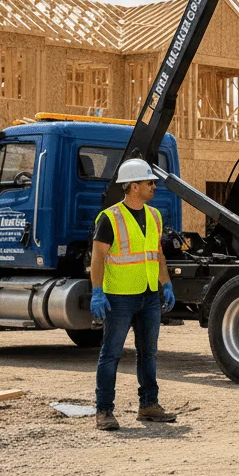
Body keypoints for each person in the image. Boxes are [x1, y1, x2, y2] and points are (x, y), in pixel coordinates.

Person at [89, 158, 178, 431]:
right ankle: (104, 410)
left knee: (149, 353)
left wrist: (166, 284)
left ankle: (148, 405)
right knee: (111, 354)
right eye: (149, 182)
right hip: (119, 296)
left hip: (150, 294)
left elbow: (158, 254)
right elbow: (98, 257)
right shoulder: (109, 218)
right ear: (133, 186)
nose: (154, 186)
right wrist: (97, 291)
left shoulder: (155, 216)